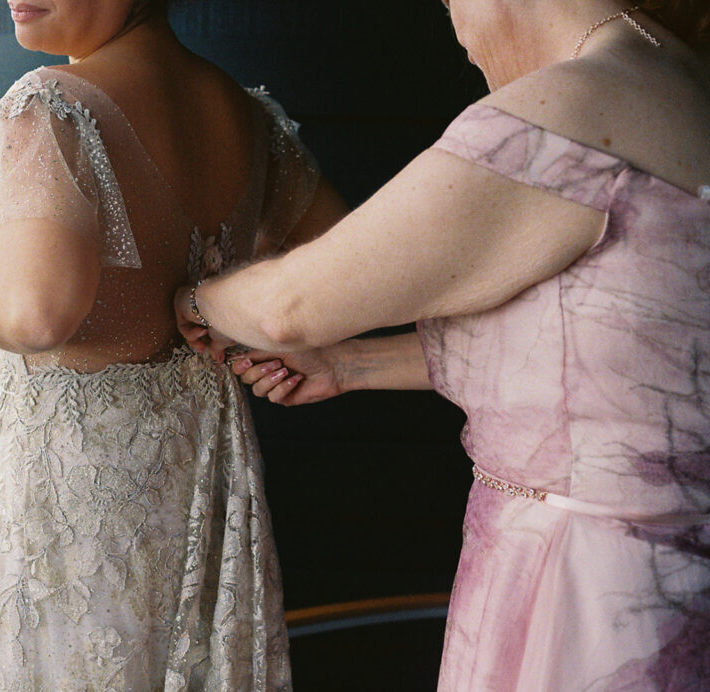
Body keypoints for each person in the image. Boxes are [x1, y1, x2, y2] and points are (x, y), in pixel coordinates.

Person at [176, 0, 710, 688]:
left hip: (590, 594)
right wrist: (351, 365)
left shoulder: (563, 116)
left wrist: (196, 299)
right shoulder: (683, 81)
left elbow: (292, 307)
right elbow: (617, 355)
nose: (458, 29)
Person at [0, 0, 346, 688]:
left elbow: (35, 314)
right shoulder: (241, 112)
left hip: (65, 494)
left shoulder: (49, 107)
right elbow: (339, 258)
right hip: (193, 465)